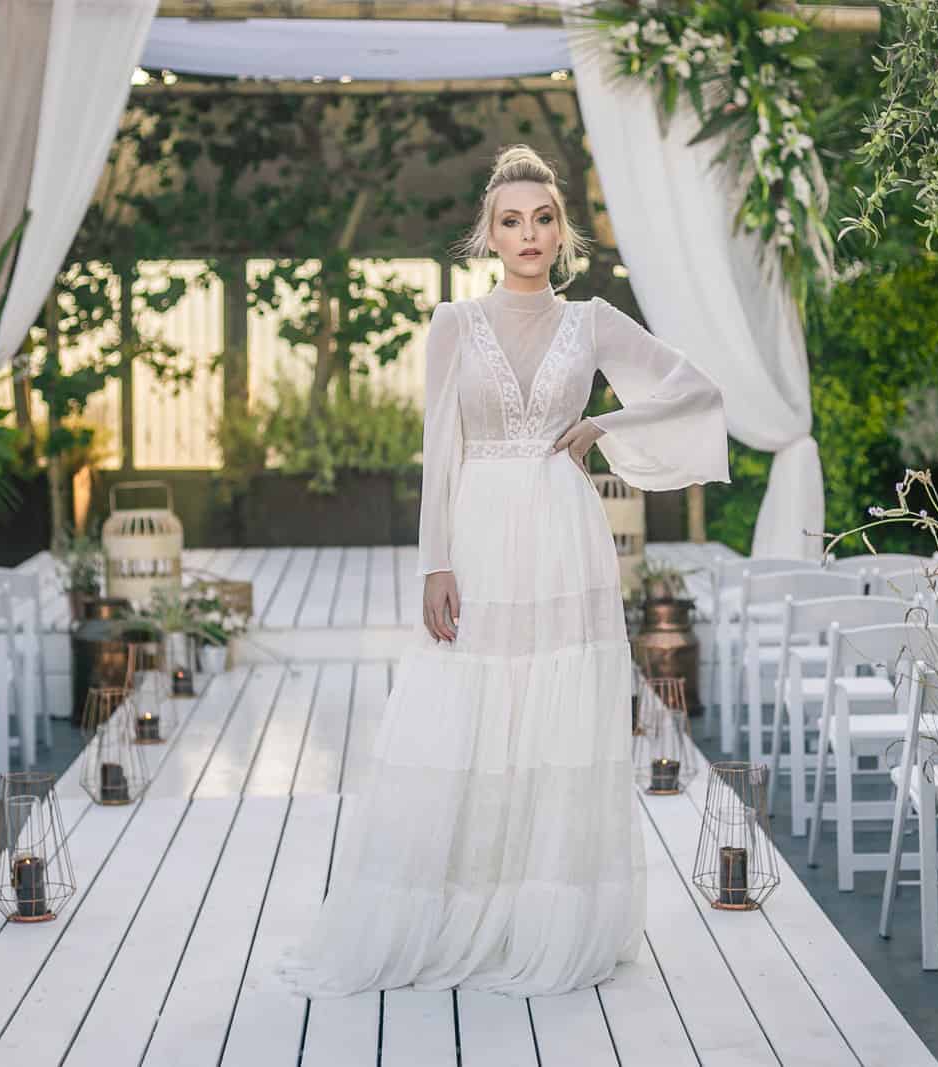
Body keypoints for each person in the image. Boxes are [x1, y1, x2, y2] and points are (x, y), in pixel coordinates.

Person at [272, 144, 730, 998]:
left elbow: (695, 388)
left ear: (562, 232)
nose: (528, 233)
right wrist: (434, 563)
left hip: (563, 532)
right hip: (479, 530)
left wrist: (604, 426)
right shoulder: (454, 324)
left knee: (557, 716)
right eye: (511, 220)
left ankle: (544, 916)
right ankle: (461, 906)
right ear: (488, 234)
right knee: (468, 705)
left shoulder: (592, 322)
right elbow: (438, 449)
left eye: (543, 218)